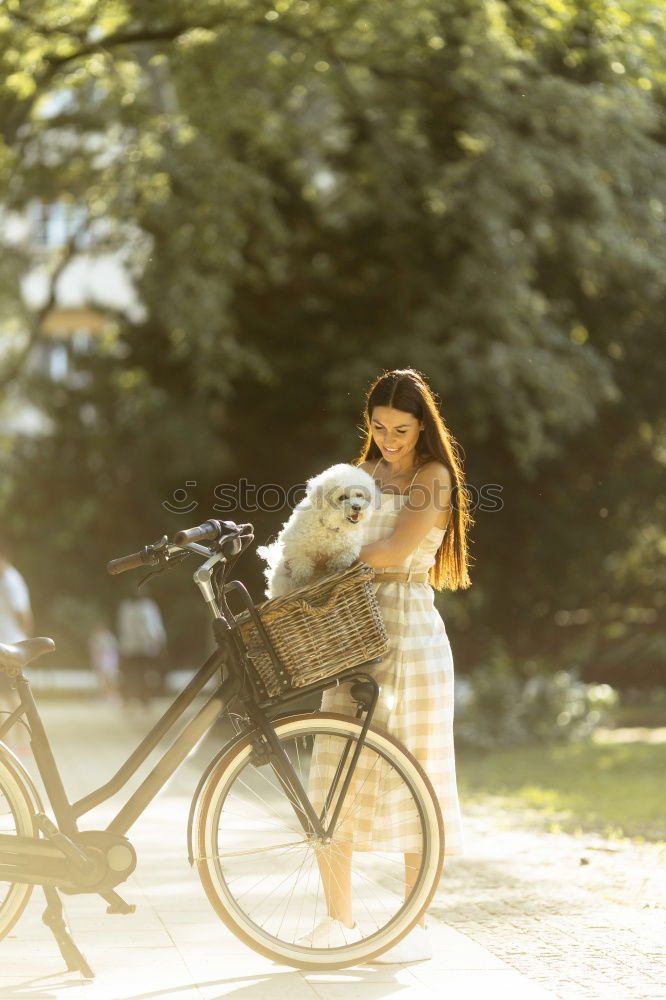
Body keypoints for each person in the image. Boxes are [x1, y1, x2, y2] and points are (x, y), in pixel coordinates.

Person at [309, 368, 474, 962]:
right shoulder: (360, 476)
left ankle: (413, 924)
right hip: (352, 632)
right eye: (378, 427)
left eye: (401, 428)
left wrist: (327, 556)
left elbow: (397, 551)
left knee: (416, 775)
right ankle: (338, 920)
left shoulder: (433, 478)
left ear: (422, 424)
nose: (389, 439)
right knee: (336, 768)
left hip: (411, 630)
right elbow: (319, 528)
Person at [0, 544, 33, 756]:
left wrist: (27, 644)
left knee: (15, 698)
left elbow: (23, 613)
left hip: (11, 647)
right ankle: (6, 745)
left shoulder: (11, 579)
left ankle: (21, 744)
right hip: (2, 646)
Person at [117, 590, 167, 707]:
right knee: (130, 673)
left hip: (146, 646)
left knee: (146, 673)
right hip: (130, 646)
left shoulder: (149, 606)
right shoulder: (126, 607)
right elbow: (123, 627)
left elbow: (155, 625)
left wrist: (160, 641)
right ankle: (128, 698)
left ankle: (145, 699)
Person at [89, 619, 120, 702]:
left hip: (109, 660)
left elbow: (113, 651)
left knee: (110, 678)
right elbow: (94, 650)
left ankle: (112, 695)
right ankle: (103, 695)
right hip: (101, 660)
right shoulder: (96, 637)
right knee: (102, 679)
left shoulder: (109, 637)